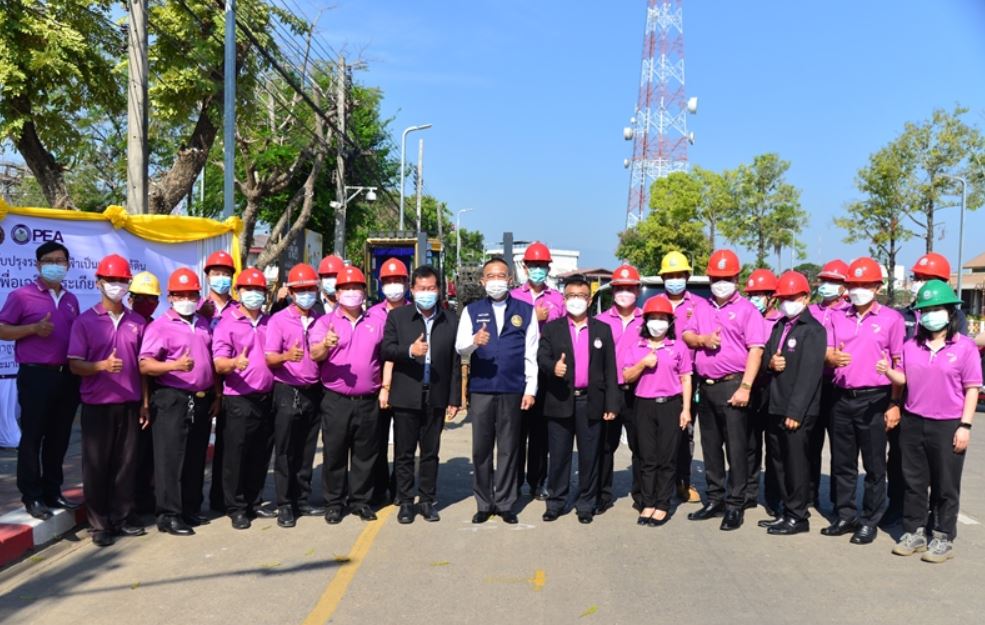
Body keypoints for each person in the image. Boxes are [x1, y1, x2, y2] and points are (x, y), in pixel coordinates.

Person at [880, 280, 980, 562]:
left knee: (945, 484)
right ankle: (914, 531)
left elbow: (972, 387)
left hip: (948, 423)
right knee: (914, 481)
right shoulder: (912, 346)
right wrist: (887, 372)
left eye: (937, 308)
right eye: (926, 310)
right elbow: (904, 380)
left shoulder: (965, 348)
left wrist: (965, 425)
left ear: (950, 312)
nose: (931, 314)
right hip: (913, 421)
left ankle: (942, 536)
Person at [821, 256, 905, 545]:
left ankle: (870, 518)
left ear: (877, 287)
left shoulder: (891, 319)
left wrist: (894, 404)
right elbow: (827, 351)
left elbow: (898, 363)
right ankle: (845, 514)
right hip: (841, 396)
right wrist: (830, 357)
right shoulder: (836, 316)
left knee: (873, 465)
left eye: (864, 284)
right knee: (842, 462)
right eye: (853, 284)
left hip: (875, 399)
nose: (857, 289)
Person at [682, 249, 765, 531]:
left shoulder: (747, 310)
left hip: (733, 384)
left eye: (726, 277)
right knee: (711, 448)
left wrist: (745, 386)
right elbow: (687, 335)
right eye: (715, 278)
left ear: (736, 278)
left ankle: (735, 503)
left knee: (737, 449)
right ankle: (715, 499)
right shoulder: (702, 307)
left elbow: (756, 350)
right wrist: (703, 339)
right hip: (706, 387)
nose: (720, 283)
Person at [67, 254, 148, 546]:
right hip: (97, 405)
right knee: (97, 466)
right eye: (110, 280)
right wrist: (100, 366)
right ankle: (99, 524)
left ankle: (122, 517)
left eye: (121, 281)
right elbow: (75, 365)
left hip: (129, 404)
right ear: (98, 282)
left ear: (128, 285)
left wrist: (145, 402)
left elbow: (143, 368)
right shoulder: (85, 321)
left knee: (126, 464)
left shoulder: (137, 322)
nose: (116, 285)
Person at [885, 252, 969, 529]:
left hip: (943, 410)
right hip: (909, 405)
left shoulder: (956, 323)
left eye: (926, 278)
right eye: (918, 278)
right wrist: (894, 403)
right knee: (902, 465)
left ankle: (939, 522)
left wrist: (965, 423)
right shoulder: (903, 315)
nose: (920, 283)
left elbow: (964, 376)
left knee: (941, 472)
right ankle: (900, 511)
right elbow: (901, 364)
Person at [0, 241, 81, 520]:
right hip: (36, 375)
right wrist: (34, 328)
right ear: (37, 265)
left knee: (59, 438)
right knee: (33, 437)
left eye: (61, 261)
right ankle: (32, 496)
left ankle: (53, 490)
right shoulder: (21, 296)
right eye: (50, 260)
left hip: (67, 376)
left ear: (68, 265)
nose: (56, 265)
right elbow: (2, 329)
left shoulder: (71, 300)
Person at [456, 257, 539, 524]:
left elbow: (531, 354)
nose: (496, 281)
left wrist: (531, 389)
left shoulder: (525, 311)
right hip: (481, 389)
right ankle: (483, 501)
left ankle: (505, 502)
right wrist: (474, 342)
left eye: (501, 275)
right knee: (481, 448)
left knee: (508, 448)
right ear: (482, 281)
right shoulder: (472, 310)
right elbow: (460, 348)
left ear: (510, 280)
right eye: (490, 276)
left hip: (513, 389)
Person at [138, 268, 219, 536]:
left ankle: (189, 508)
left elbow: (211, 360)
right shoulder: (159, 326)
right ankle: (169, 515)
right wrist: (174, 365)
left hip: (201, 398)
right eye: (180, 294)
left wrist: (216, 394)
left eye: (191, 294)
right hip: (172, 397)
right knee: (170, 459)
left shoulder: (204, 323)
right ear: (170, 297)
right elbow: (145, 364)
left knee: (195, 457)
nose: (186, 298)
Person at [380, 265, 462, 524]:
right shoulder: (398, 317)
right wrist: (409, 350)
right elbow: (386, 350)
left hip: (435, 394)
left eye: (431, 288)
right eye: (421, 289)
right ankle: (405, 501)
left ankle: (427, 500)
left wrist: (455, 398)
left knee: (430, 452)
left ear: (438, 290)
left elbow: (455, 362)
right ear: (412, 290)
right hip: (406, 395)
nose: (426, 293)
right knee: (404, 453)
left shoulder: (450, 319)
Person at [537, 274, 619, 525]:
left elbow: (610, 369)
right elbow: (542, 357)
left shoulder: (602, 330)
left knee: (589, 456)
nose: (576, 300)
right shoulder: (552, 328)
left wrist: (612, 404)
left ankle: (586, 503)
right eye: (571, 296)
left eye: (581, 296)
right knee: (559, 456)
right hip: (560, 399)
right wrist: (554, 368)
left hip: (590, 401)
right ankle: (556, 502)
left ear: (589, 298)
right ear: (564, 298)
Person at [310, 265, 385, 523]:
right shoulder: (325, 322)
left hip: (368, 399)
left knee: (366, 453)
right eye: (346, 288)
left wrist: (385, 387)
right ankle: (334, 502)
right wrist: (325, 345)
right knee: (335, 452)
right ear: (337, 293)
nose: (351, 292)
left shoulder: (376, 321)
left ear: (364, 293)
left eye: (356, 288)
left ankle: (360, 501)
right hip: (336, 400)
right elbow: (314, 354)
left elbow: (385, 357)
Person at [760, 271, 826, 535]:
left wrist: (796, 411)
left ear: (806, 297)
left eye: (792, 297)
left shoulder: (813, 330)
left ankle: (798, 515)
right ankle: (785, 510)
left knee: (796, 463)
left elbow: (810, 375)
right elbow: (766, 354)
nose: (787, 302)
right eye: (783, 298)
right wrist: (770, 362)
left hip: (797, 410)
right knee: (778, 462)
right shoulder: (779, 326)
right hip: (775, 404)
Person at [620, 295, 692, 527]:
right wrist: (643, 363)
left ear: (670, 323)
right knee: (647, 458)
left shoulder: (678, 347)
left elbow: (686, 379)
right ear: (646, 321)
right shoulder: (636, 347)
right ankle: (647, 502)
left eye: (663, 318)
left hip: (671, 405)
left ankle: (663, 504)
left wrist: (686, 409)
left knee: (667, 458)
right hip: (643, 405)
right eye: (653, 318)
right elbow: (626, 376)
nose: (657, 323)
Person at [212, 268, 275, 530]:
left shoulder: (271, 322)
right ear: (238, 292)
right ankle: (236, 506)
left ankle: (253, 500)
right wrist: (234, 363)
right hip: (238, 398)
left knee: (260, 454)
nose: (254, 295)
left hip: (267, 397)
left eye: (259, 290)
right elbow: (218, 363)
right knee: (235, 456)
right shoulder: (227, 323)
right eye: (249, 289)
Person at [263, 263, 324, 528]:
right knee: (286, 450)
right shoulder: (278, 320)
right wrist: (287, 356)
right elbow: (269, 357)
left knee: (307, 449)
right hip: (287, 390)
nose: (306, 294)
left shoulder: (320, 318)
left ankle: (302, 499)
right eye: (301, 289)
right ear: (291, 291)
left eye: (310, 289)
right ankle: (285, 504)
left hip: (313, 390)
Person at [511, 242, 564, 500]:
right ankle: (514, 481)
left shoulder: (558, 300)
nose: (537, 270)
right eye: (533, 266)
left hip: (545, 372)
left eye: (542, 266)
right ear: (525, 267)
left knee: (541, 432)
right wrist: (534, 317)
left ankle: (537, 481)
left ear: (548, 268)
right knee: (517, 430)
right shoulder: (513, 297)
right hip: (518, 370)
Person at [594, 264, 644, 513]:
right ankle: (602, 495)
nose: (625, 292)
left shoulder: (648, 320)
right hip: (609, 392)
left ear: (637, 290)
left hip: (638, 392)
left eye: (629, 288)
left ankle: (641, 494)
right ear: (612, 292)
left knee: (641, 446)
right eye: (620, 289)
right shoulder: (600, 321)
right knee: (605, 445)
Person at [660, 250, 703, 504]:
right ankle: (659, 480)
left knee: (685, 430)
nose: (675, 279)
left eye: (679, 275)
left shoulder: (699, 305)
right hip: (660, 376)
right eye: (670, 275)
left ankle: (683, 481)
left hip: (688, 378)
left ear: (687, 276)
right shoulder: (653, 304)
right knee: (661, 432)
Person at [368, 257, 411, 507]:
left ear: (406, 283)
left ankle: (400, 488)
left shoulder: (415, 313)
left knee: (404, 444)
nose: (393, 285)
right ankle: (378, 487)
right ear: (381, 284)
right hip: (378, 387)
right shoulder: (372, 314)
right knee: (377, 440)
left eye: (398, 280)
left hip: (406, 386)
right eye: (388, 281)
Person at [807, 259, 850, 510]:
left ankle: (839, 501)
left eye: (833, 282)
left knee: (840, 449)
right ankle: (808, 495)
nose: (827, 286)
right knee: (809, 444)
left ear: (844, 286)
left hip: (837, 385)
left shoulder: (849, 313)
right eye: (824, 281)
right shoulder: (810, 311)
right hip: (812, 384)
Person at [198, 250, 238, 513]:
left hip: (233, 382)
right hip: (202, 381)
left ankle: (222, 497)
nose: (221, 278)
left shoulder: (239, 307)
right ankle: (189, 500)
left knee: (228, 442)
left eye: (226, 274)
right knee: (197, 442)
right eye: (216, 273)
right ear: (208, 276)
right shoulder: (197, 307)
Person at [744, 268, 783, 517]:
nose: (755, 298)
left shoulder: (781, 322)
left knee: (774, 446)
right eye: (752, 294)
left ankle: (773, 496)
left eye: (761, 294)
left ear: (772, 297)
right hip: (749, 388)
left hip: (773, 389)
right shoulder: (747, 316)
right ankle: (747, 493)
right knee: (748, 444)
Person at [128, 271, 161, 517]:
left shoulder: (155, 325)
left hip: (151, 394)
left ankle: (144, 496)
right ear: (131, 298)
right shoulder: (127, 323)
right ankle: (130, 501)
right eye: (141, 298)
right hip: (129, 395)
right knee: (130, 454)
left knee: (148, 452)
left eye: (151, 299)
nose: (147, 303)